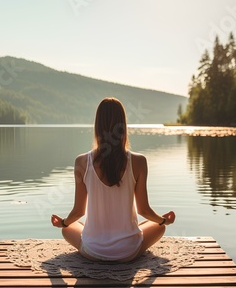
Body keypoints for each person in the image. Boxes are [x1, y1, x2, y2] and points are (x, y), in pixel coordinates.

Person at [51, 97, 175, 262]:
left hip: (93, 251)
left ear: (97, 126)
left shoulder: (81, 162)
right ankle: (128, 235)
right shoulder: (139, 161)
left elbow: (79, 212)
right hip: (128, 252)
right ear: (123, 126)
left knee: (68, 229)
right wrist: (164, 220)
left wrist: (63, 223)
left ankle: (95, 237)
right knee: (159, 227)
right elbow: (144, 210)